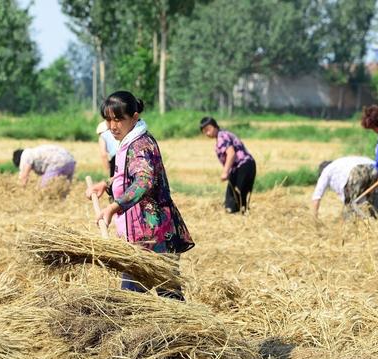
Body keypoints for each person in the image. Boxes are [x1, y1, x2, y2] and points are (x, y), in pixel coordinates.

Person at [86, 91, 195, 300]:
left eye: (119, 119)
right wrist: (107, 186)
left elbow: (144, 180)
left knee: (140, 298)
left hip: (153, 236)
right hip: (145, 233)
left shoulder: (139, 145)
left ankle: (184, 330)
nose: (112, 126)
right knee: (164, 295)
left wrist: (113, 207)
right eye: (108, 120)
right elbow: (129, 176)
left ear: (134, 117)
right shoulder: (131, 141)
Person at [199, 117, 257, 213]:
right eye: (204, 132)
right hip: (246, 166)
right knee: (236, 201)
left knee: (234, 203)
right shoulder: (223, 135)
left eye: (208, 129)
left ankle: (241, 219)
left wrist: (225, 172)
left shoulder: (221, 136)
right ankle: (243, 215)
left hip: (242, 166)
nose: (207, 133)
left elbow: (231, 153)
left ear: (215, 126)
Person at [312, 156, 378, 217]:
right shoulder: (341, 163)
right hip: (376, 168)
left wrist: (314, 219)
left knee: (350, 208)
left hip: (357, 171)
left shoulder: (326, 170)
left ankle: (360, 224)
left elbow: (316, 196)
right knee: (373, 201)